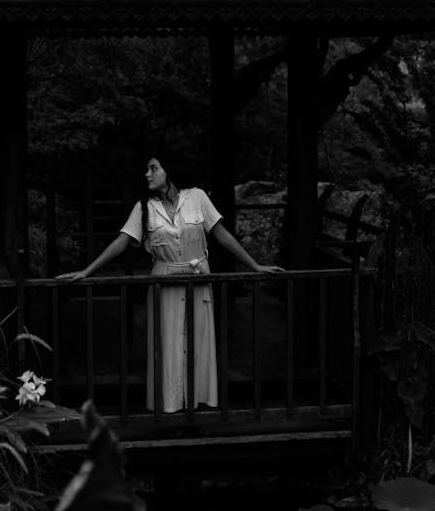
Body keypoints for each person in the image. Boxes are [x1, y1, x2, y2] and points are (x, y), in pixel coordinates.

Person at [57, 154, 282, 413]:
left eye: (153, 168)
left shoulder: (197, 197)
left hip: (198, 278)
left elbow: (222, 235)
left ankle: (199, 405)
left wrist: (254, 265)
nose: (148, 174)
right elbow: (121, 241)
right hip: (164, 282)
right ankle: (171, 407)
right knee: (169, 344)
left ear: (169, 171)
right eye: (147, 169)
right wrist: (87, 271)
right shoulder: (145, 207)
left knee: (199, 341)